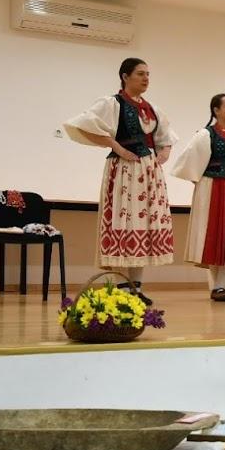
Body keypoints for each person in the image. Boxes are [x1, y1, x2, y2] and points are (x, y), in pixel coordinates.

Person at [63, 57, 176, 304]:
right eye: (140, 74)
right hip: (124, 170)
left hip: (148, 172)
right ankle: (123, 288)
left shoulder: (152, 109)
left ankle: (136, 288)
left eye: (148, 74)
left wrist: (163, 154)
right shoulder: (113, 104)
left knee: (142, 225)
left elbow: (166, 138)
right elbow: (84, 126)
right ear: (125, 76)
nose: (146, 78)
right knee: (124, 222)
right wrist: (117, 147)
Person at [171, 93, 225, 302]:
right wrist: (203, 186)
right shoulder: (205, 134)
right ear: (216, 110)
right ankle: (217, 286)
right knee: (215, 235)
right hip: (213, 188)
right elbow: (190, 165)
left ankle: (220, 286)